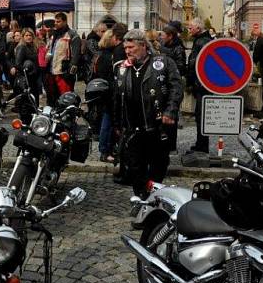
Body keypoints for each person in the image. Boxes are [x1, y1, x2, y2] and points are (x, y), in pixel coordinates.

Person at [114, 29, 183, 199]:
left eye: (131, 47)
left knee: (158, 164)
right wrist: (118, 123)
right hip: (133, 126)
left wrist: (170, 111)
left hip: (158, 125)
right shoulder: (122, 68)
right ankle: (142, 196)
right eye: (126, 48)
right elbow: (116, 97)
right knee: (135, 166)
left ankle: (151, 197)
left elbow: (176, 88)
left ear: (143, 45)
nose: (128, 51)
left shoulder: (163, 63)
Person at [186, 17, 213, 153]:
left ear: (198, 28)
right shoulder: (201, 40)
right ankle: (200, 144)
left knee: (202, 116)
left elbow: (198, 64)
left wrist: (190, 78)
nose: (188, 29)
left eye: (191, 27)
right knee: (200, 116)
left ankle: (202, 147)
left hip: (203, 86)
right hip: (201, 84)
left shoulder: (203, 42)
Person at [44, 12, 81, 106]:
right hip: (52, 72)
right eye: (55, 21)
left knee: (66, 100)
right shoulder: (54, 34)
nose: (55, 23)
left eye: (58, 21)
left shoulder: (72, 35)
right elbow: (49, 49)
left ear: (65, 22)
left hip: (63, 73)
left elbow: (76, 56)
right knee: (52, 99)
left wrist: (70, 72)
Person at [91, 29, 116, 161]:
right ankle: (105, 150)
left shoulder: (102, 54)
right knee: (107, 120)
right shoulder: (107, 56)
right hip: (108, 92)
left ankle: (105, 149)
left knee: (107, 119)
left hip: (104, 91)